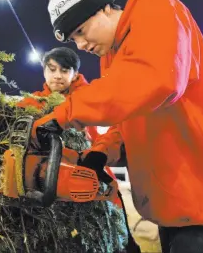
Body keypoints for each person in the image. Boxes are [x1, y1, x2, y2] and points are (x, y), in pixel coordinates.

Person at [29, 0, 203, 253]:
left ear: (103, 8)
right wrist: (102, 152)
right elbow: (128, 120)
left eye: (81, 30)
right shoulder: (114, 57)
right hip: (179, 213)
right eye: (73, 39)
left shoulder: (157, 9)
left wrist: (65, 113)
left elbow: (156, 80)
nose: (81, 44)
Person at [17, 47, 141, 253]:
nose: (57, 76)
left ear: (75, 73)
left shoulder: (91, 98)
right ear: (44, 71)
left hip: (94, 179)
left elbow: (119, 127)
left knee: (118, 240)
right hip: (52, 185)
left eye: (64, 70)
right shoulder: (34, 103)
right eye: (52, 69)